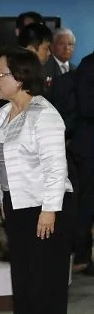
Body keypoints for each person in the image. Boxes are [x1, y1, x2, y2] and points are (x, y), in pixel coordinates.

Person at [0, 46, 73, 314]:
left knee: (43, 279)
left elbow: (56, 168)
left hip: (46, 206)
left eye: (0, 74)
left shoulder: (44, 115)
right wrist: (3, 200)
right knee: (22, 277)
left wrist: (49, 209)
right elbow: (2, 166)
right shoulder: (3, 113)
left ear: (20, 78)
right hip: (18, 205)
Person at [68, 50, 94, 275]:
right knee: (87, 202)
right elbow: (86, 107)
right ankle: (82, 256)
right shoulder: (89, 65)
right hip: (88, 147)